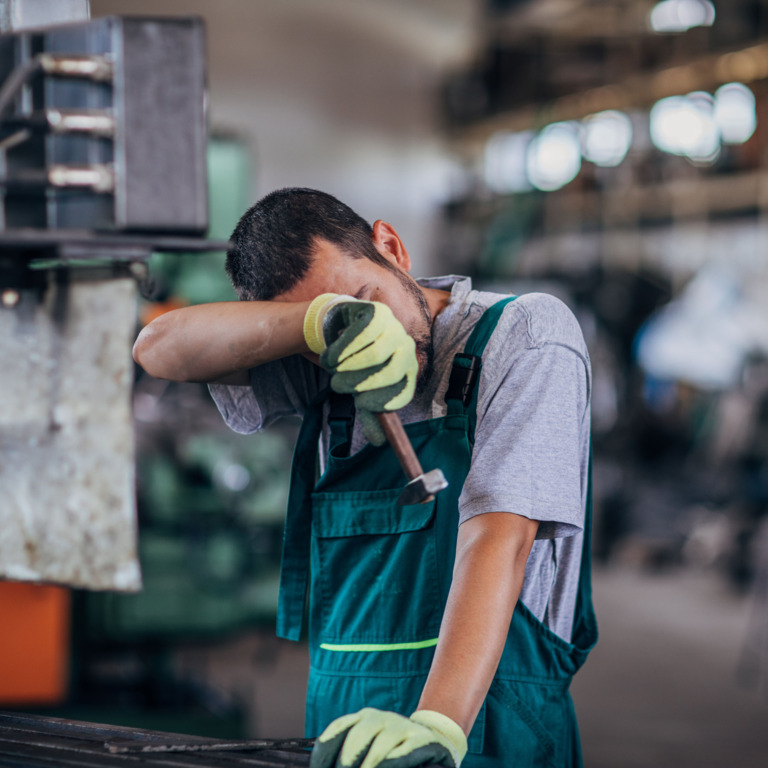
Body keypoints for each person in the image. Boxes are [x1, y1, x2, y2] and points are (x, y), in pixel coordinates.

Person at [133, 188, 597, 768]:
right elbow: (158, 346)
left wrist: (438, 726)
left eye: (365, 298)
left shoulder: (526, 334)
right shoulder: (323, 360)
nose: (374, 334)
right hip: (345, 723)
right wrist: (320, 325)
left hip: (482, 717)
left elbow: (499, 538)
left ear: (392, 248)